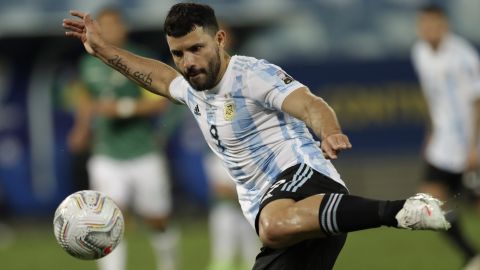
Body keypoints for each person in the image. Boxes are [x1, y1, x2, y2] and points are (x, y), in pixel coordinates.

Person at [63, 3, 451, 269]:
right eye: (178, 54)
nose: (188, 62)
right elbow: (158, 76)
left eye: (196, 49)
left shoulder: (251, 75)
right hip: (291, 218)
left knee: (272, 224)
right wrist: (102, 51)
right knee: (273, 225)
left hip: (303, 178)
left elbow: (311, 103)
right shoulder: (190, 85)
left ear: (219, 39)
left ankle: (401, 210)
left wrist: (329, 130)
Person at [67, 7, 178, 270]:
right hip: (106, 154)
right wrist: (81, 128)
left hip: (143, 151)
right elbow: (85, 99)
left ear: (124, 27)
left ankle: (170, 264)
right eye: (104, 26)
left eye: (114, 25)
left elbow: (161, 102)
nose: (110, 31)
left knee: (157, 219)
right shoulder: (87, 63)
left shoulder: (142, 58)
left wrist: (123, 109)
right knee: (106, 222)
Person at [411, 4, 480, 270]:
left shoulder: (463, 56)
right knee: (430, 203)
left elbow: (477, 103)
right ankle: (472, 255)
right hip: (443, 145)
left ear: (444, 25)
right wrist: (430, 133)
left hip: (468, 145)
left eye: (432, 24)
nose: (426, 30)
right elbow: (431, 97)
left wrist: (474, 147)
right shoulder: (419, 52)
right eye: (422, 24)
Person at [203, 153, 260, 270]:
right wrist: (245, 195)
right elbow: (219, 188)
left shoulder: (248, 155)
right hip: (225, 211)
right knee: (224, 255)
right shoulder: (216, 158)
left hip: (247, 212)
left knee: (252, 255)